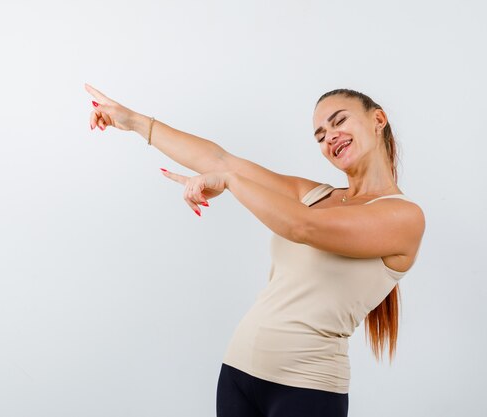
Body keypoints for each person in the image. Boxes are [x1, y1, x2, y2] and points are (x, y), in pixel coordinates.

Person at [85, 83, 426, 417]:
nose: (330, 136)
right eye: (320, 135)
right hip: (237, 374)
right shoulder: (315, 194)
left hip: (307, 389)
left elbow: (302, 227)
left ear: (377, 120)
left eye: (339, 122)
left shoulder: (404, 216)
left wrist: (231, 182)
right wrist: (133, 122)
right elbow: (221, 160)